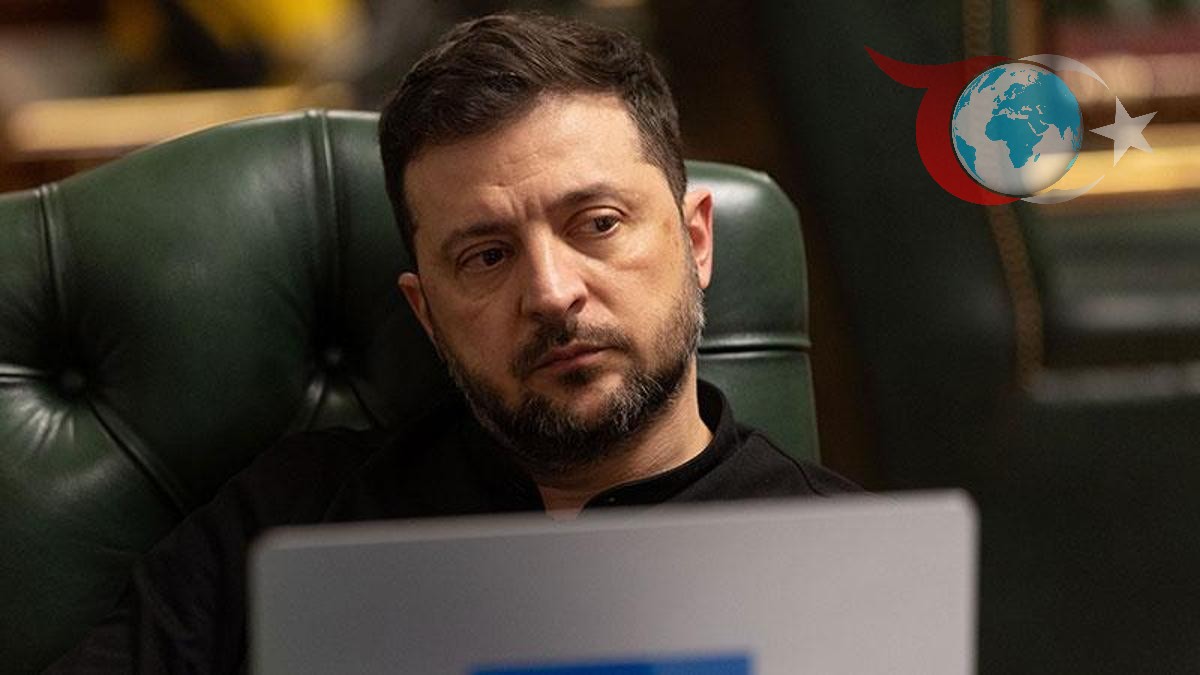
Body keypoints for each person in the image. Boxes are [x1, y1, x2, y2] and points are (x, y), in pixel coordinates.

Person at [46, 12, 858, 673]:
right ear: (428, 312)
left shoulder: (844, 558)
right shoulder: (289, 524)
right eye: (487, 256)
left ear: (696, 241)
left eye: (597, 223)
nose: (551, 292)